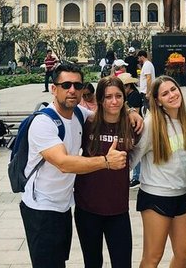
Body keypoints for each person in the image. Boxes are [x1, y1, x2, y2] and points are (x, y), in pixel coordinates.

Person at [20, 63, 129, 268]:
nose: (72, 90)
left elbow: (108, 112)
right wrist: (106, 162)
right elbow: (63, 163)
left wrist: (131, 112)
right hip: (41, 208)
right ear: (54, 88)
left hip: (63, 207)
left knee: (58, 261)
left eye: (77, 86)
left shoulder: (78, 113)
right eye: (66, 85)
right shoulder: (43, 123)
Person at [130, 76, 186, 268]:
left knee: (185, 252)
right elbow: (132, 158)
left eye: (174, 89)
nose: (172, 95)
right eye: (165, 93)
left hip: (180, 194)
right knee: (153, 256)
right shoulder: (151, 124)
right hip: (156, 196)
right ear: (158, 101)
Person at [74, 77, 137, 268]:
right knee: (92, 262)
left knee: (122, 262)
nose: (114, 101)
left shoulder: (132, 125)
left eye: (118, 96)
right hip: (88, 207)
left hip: (118, 208)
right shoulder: (87, 123)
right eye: (108, 97)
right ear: (100, 99)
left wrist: (133, 112)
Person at [117, 72, 143, 189]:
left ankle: (137, 177)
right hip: (128, 127)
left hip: (135, 128)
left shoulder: (135, 95)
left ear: (128, 86)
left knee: (136, 153)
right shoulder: (129, 95)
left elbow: (136, 112)